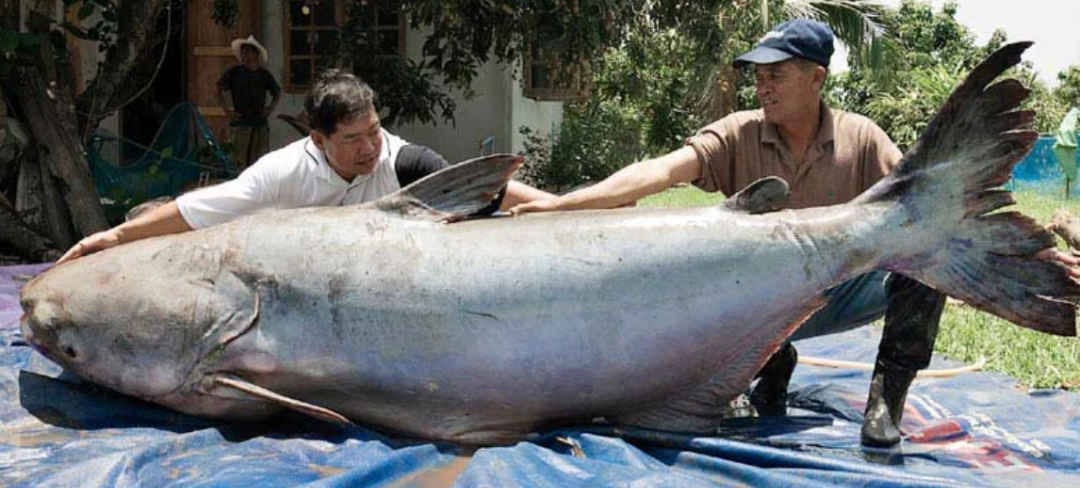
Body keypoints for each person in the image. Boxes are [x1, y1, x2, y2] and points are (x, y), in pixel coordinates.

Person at [510, 19, 1077, 448]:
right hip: (752, 304)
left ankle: (887, 400)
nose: (763, 86)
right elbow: (656, 173)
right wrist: (563, 204)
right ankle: (767, 364)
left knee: (919, 249)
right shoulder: (737, 134)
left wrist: (1003, 262)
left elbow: (926, 212)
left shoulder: (862, 138)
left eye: (776, 74)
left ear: (816, 78)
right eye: (758, 76)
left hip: (841, 291)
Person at [60, 70, 555, 263]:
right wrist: (116, 239)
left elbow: (485, 189)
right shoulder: (278, 176)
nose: (370, 148)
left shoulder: (403, 161)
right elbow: (195, 212)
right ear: (318, 140)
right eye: (353, 139)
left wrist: (565, 207)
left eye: (374, 131)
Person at [218, 36, 282, 169]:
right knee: (238, 161)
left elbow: (277, 93)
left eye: (247, 52)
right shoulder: (235, 72)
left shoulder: (264, 75)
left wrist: (269, 109)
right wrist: (227, 110)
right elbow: (218, 89)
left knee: (258, 162)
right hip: (240, 123)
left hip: (259, 123)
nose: (244, 55)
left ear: (255, 54)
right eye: (243, 52)